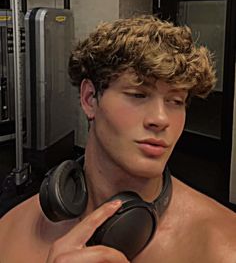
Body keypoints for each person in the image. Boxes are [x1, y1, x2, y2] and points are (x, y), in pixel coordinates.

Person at [0, 15, 235, 263]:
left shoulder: (224, 247)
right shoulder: (11, 231)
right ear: (90, 98)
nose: (160, 118)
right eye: (138, 95)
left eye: (175, 101)